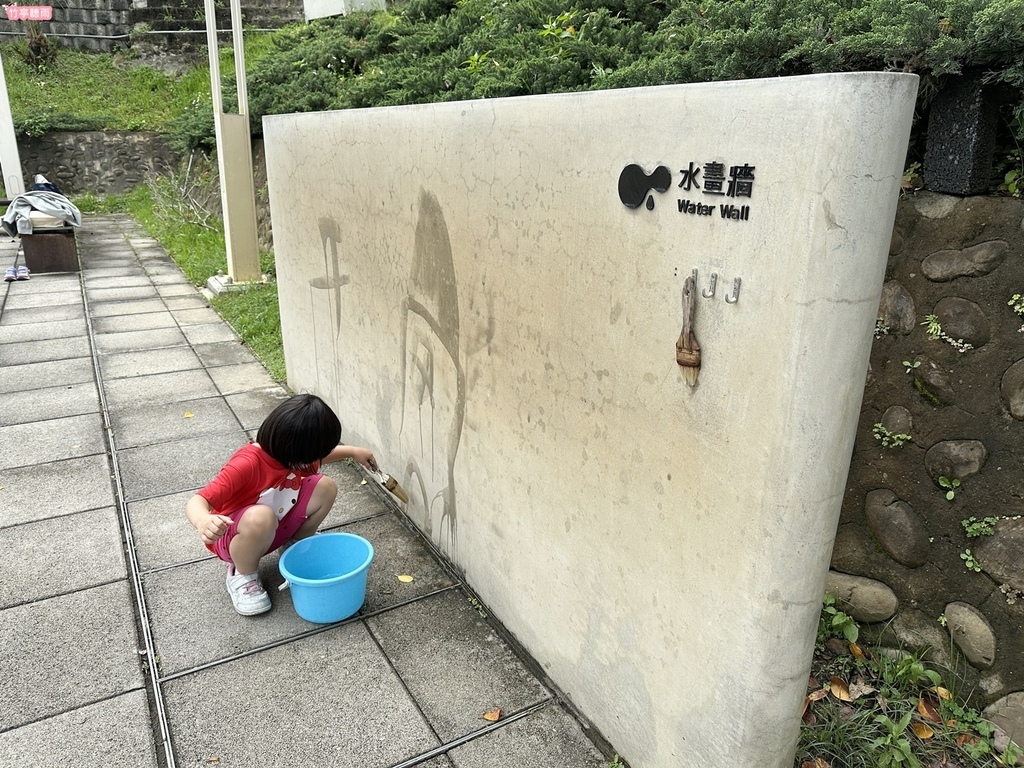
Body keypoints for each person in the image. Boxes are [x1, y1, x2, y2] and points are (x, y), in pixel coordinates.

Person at [185, 393, 378, 616]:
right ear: (297, 449)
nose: (315, 460)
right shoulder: (246, 464)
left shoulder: (290, 452)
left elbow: (322, 458)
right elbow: (198, 501)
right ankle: (242, 576)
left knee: (325, 487)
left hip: (276, 524)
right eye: (313, 455)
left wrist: (354, 452)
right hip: (236, 538)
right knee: (261, 517)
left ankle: (295, 544)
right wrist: (203, 520)